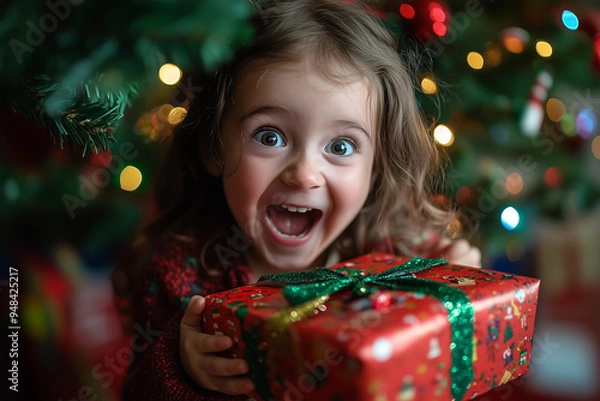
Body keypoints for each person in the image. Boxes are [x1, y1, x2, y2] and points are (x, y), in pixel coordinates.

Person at [112, 0, 481, 399]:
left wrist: (455, 289)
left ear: (376, 168)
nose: (304, 174)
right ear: (213, 149)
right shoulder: (177, 279)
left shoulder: (397, 262)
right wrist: (179, 365)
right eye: (269, 137)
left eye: (341, 146)